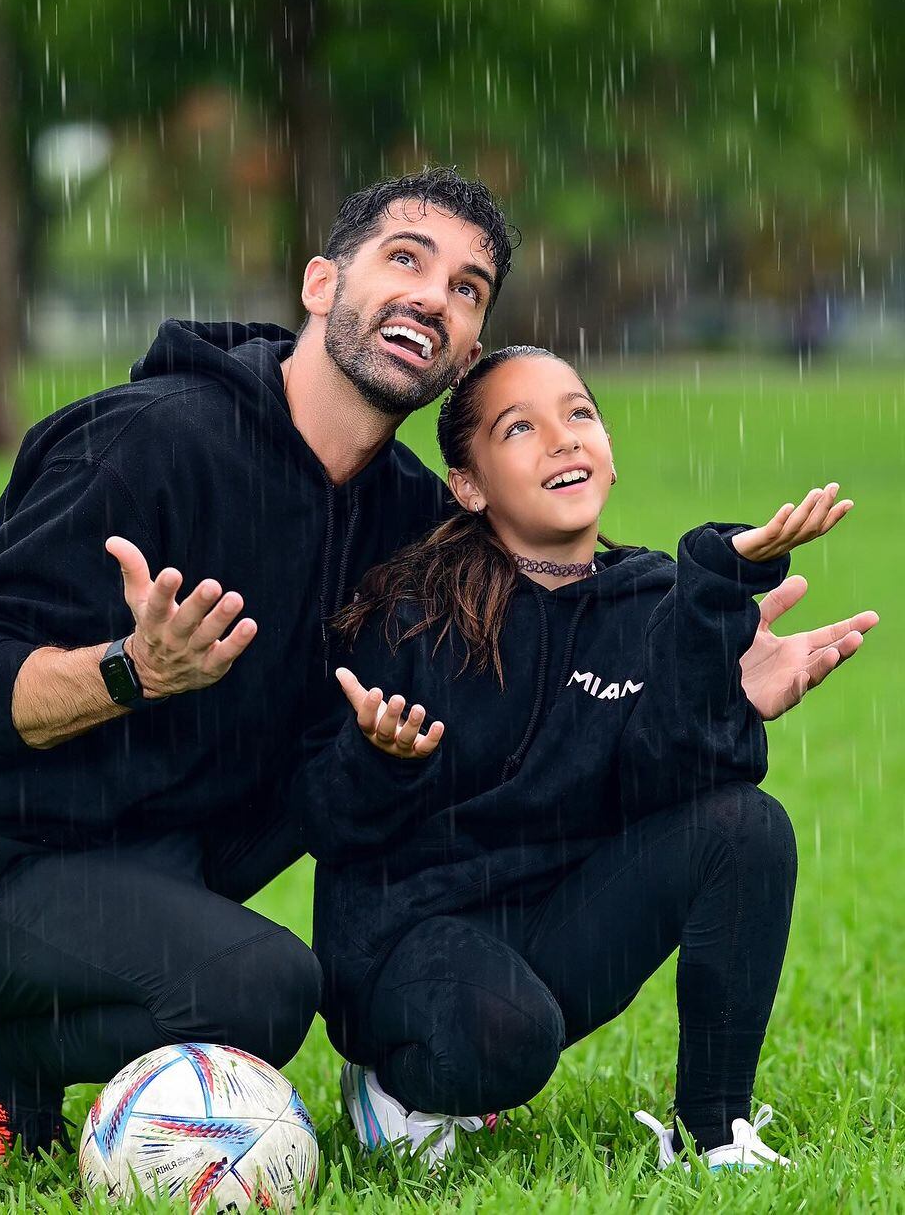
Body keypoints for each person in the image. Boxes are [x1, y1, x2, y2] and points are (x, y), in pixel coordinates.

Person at [0, 170, 874, 1169]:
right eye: (406, 259)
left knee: (256, 983)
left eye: (467, 287)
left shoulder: (413, 521)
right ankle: (2, 1049)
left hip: (170, 869)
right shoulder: (144, 442)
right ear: (319, 285)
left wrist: (710, 679)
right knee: (258, 991)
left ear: (469, 345)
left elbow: (562, 628)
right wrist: (132, 669)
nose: (434, 295)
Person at [302, 345, 878, 1172]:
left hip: (559, 921)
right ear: (469, 484)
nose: (563, 439)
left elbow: (667, 779)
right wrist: (379, 759)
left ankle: (714, 1131)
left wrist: (723, 652)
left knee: (748, 826)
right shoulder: (416, 609)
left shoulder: (652, 602)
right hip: (414, 937)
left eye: (578, 414)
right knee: (505, 1043)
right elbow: (326, 819)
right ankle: (395, 1082)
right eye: (520, 427)